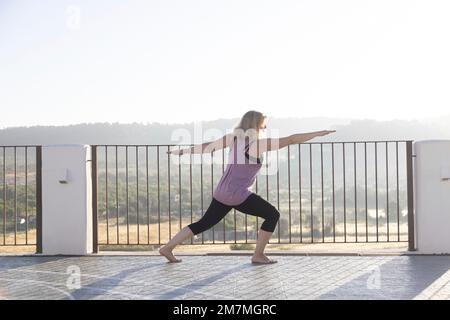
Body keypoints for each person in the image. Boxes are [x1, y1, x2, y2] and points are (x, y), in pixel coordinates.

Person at [159, 110, 336, 264]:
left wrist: (181, 151)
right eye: (263, 125)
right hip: (238, 195)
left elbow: (208, 147)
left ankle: (167, 248)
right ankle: (258, 255)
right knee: (272, 215)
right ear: (257, 125)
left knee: (203, 223)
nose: (265, 128)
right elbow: (291, 139)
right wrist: (319, 132)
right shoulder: (256, 144)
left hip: (222, 191)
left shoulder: (233, 139)